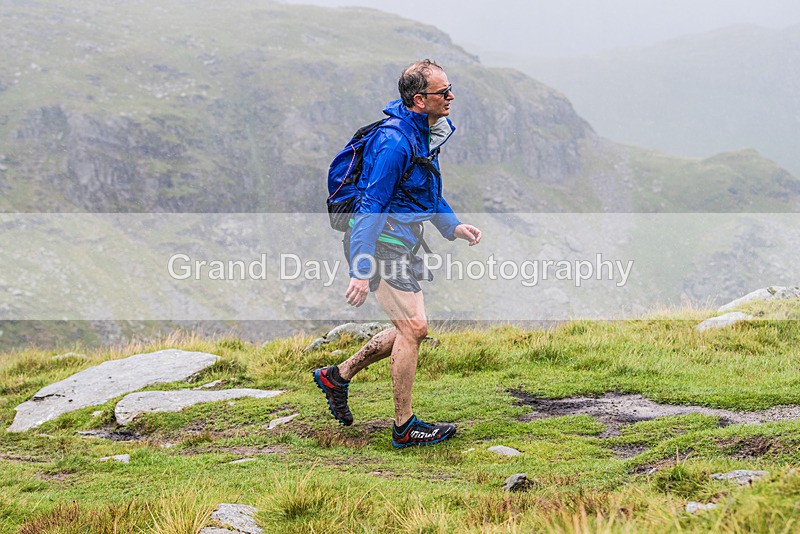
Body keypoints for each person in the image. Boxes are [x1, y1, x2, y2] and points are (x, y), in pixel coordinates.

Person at [313, 59, 482, 448]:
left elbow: (424, 191)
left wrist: (452, 226)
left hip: (401, 240)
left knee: (411, 326)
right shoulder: (394, 142)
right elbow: (371, 205)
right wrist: (361, 267)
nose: (451, 96)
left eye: (450, 88)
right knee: (414, 328)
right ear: (420, 99)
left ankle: (337, 376)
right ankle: (404, 427)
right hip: (379, 242)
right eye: (444, 91)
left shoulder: (424, 134)